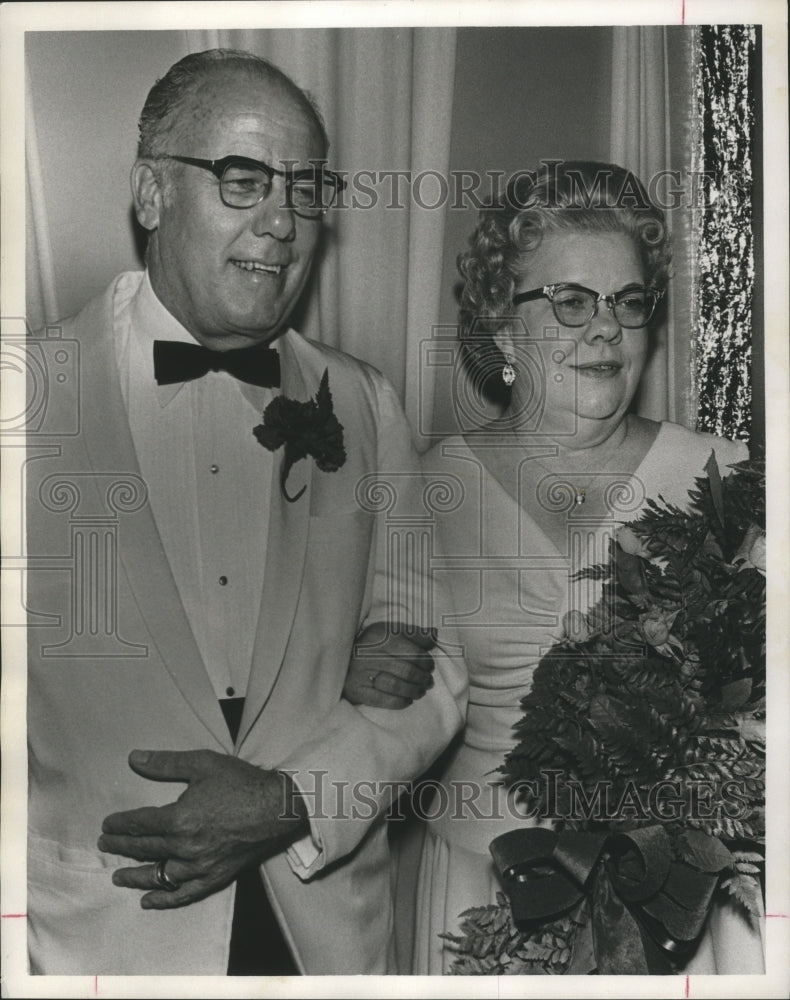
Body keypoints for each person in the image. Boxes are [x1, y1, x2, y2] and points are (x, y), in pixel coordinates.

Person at [25, 48, 466, 977]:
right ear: (151, 193)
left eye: (306, 190)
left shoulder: (366, 402)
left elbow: (434, 671)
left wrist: (294, 800)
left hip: (326, 934)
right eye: (242, 179)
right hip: (92, 946)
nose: (283, 222)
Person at [344, 160, 765, 974]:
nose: (606, 329)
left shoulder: (734, 481)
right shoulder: (427, 486)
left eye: (628, 303)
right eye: (571, 302)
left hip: (686, 904)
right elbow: (387, 706)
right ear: (504, 328)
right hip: (480, 893)